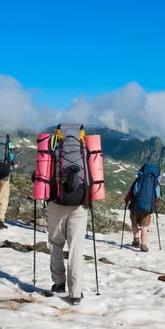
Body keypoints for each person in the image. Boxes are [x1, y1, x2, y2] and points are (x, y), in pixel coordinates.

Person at [44, 123, 90, 305]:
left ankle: (58, 283)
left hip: (56, 203)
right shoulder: (84, 148)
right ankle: (76, 293)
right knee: (76, 249)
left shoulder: (53, 145)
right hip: (79, 205)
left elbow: (43, 174)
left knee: (56, 243)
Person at [124, 162, 161, 252]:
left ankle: (136, 240)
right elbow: (157, 196)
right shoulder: (155, 183)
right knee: (144, 227)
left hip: (135, 206)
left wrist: (126, 199)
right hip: (147, 208)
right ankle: (143, 245)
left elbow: (132, 192)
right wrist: (154, 205)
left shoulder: (138, 180)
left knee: (134, 223)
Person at [0, 142, 18, 229]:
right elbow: (15, 166)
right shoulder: (10, 153)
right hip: (4, 178)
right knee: (3, 199)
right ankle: (1, 220)